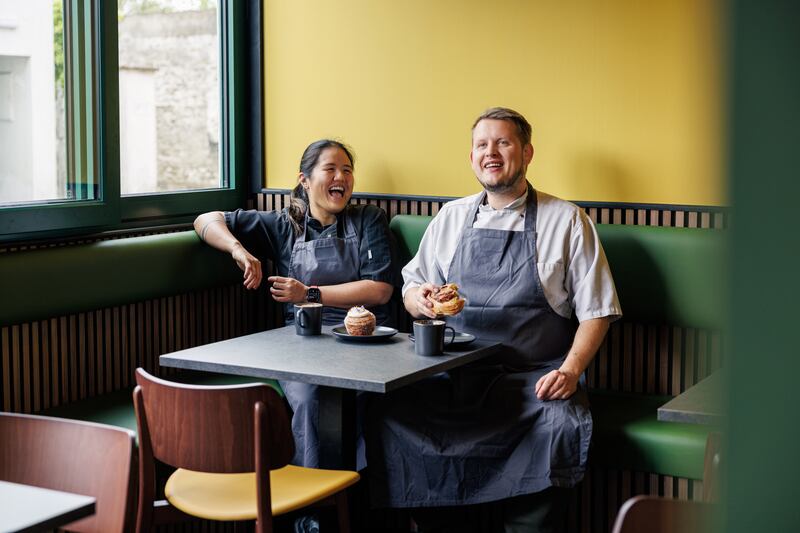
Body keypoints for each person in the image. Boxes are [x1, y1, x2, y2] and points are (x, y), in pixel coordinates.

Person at [365, 108, 621, 533]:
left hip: (533, 379)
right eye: (482, 145)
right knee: (391, 413)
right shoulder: (450, 218)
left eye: (503, 143)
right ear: (471, 158)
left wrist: (570, 371)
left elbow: (598, 311)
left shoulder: (568, 221)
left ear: (527, 152)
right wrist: (420, 301)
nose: (492, 153)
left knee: (558, 427)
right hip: (452, 376)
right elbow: (411, 287)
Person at [194, 139, 396, 470]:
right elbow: (206, 220)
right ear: (304, 179)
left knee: (354, 398)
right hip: (302, 341)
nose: (341, 177)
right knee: (309, 397)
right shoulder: (283, 224)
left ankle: (348, 498)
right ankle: (314, 507)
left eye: (347, 170)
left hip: (364, 341)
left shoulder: (368, 219)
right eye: (330, 169)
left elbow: (379, 290)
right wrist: (237, 250)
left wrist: (310, 293)